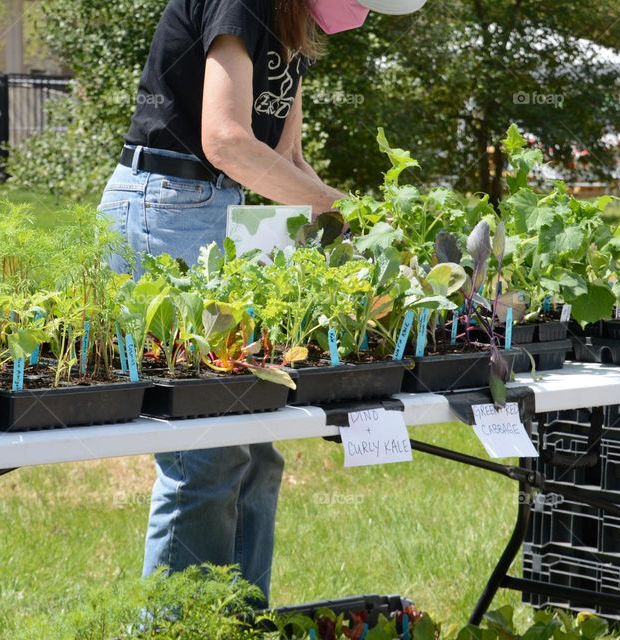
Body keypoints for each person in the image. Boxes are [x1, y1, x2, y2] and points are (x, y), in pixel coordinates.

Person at [98, 0, 428, 603]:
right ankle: (185, 625)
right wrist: (342, 207)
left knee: (256, 453)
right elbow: (225, 141)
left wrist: (360, 240)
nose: (358, 12)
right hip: (172, 207)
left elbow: (286, 163)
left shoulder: (288, 25)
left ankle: (244, 617)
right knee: (206, 453)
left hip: (232, 211)